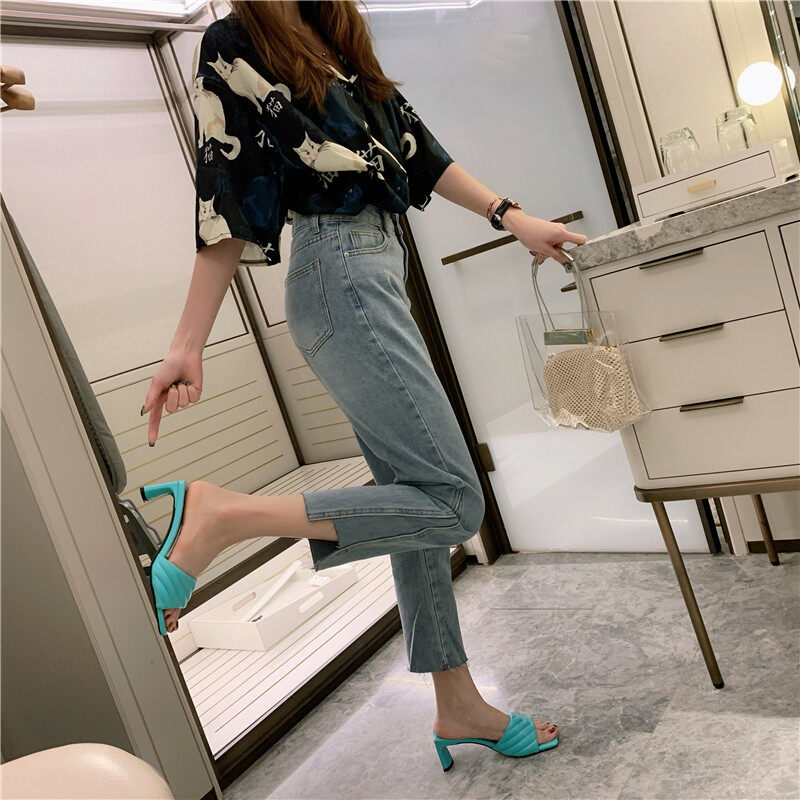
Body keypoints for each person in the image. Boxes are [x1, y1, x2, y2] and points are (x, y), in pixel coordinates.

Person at [140, 0, 586, 767]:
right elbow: (227, 196)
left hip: (378, 266)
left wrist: (511, 216)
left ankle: (458, 704)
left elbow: (416, 147)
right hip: (339, 274)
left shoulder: (334, 33)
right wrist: (187, 345)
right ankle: (224, 516)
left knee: (416, 501)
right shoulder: (236, 40)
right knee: (454, 500)